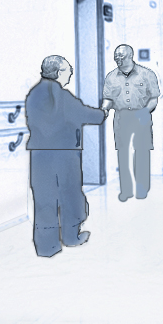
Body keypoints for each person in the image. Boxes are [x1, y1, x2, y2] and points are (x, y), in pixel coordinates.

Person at [26, 55, 109, 257]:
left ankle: (47, 247)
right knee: (70, 194)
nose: (70, 72)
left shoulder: (33, 94)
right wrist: (104, 111)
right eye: (67, 70)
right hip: (64, 155)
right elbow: (86, 115)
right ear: (58, 73)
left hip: (39, 155)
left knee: (44, 198)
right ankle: (72, 237)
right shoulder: (62, 96)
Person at [101, 44, 159, 202]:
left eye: (122, 56)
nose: (118, 59)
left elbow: (154, 98)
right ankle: (125, 190)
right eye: (116, 57)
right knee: (123, 153)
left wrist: (145, 111)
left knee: (142, 152)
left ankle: (142, 189)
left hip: (142, 114)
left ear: (130, 56)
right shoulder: (111, 77)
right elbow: (108, 99)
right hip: (122, 116)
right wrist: (104, 109)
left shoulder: (147, 74)